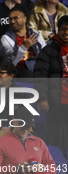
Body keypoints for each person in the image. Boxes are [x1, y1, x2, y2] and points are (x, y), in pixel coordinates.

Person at [34, 15, 68, 151]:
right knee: (57, 142)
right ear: (58, 30)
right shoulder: (48, 51)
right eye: (63, 29)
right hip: (58, 102)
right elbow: (40, 76)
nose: (66, 33)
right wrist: (42, 98)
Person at [1, 7, 46, 77]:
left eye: (15, 18)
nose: (12, 21)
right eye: (10, 19)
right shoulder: (6, 38)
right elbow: (11, 63)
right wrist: (24, 47)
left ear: (25, 19)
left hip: (37, 67)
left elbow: (45, 55)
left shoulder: (36, 35)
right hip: (19, 70)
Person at [0, 61, 29, 136]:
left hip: (16, 129)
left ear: (11, 76)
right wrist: (0, 126)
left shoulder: (21, 93)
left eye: (1, 73)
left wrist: (14, 127)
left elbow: (25, 115)